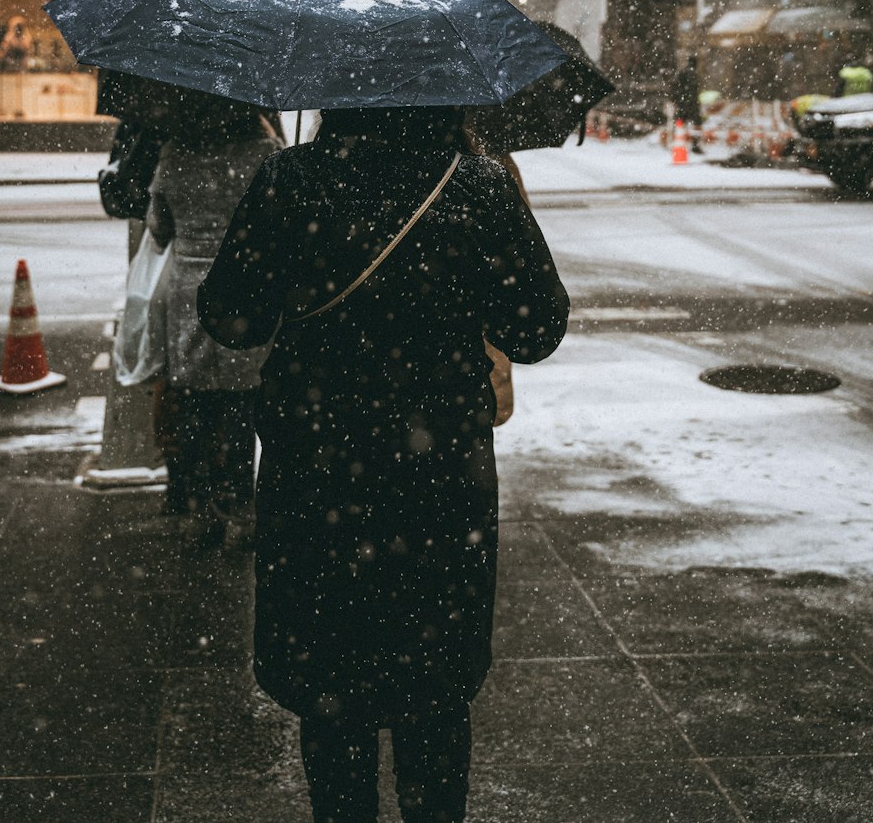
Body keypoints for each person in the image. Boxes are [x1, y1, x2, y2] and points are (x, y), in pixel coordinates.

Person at [198, 106, 569, 823]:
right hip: (438, 480)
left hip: (318, 470)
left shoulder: (290, 181)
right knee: (434, 693)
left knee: (332, 692)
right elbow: (536, 327)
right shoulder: (477, 187)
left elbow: (229, 318)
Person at [146, 89, 281, 543]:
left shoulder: (174, 153)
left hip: (189, 293)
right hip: (245, 287)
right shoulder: (264, 153)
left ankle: (200, 509)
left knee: (195, 401)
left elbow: (158, 228)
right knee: (241, 405)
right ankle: (241, 507)